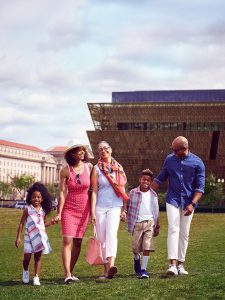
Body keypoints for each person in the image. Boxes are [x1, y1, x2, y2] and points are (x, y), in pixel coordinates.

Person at [151, 136, 205, 276]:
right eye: (172, 150)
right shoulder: (169, 159)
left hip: (189, 202)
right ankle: (172, 265)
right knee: (173, 229)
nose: (173, 152)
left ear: (184, 149)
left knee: (184, 232)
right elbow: (161, 177)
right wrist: (145, 191)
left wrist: (192, 204)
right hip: (173, 200)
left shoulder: (198, 163)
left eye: (176, 150)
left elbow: (200, 188)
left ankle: (181, 265)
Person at [55, 143, 92, 284]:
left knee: (78, 241)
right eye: (79, 150)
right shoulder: (65, 171)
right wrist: (59, 212)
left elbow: (94, 189)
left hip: (84, 210)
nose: (82, 152)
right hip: (69, 210)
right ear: (72, 153)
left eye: (83, 150)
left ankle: (70, 271)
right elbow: (62, 193)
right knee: (67, 240)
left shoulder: (89, 167)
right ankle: (67, 274)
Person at [91, 141, 128, 279]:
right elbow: (94, 191)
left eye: (105, 148)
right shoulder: (96, 169)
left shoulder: (118, 167)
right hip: (100, 206)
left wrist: (124, 208)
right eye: (100, 149)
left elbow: (123, 188)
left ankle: (111, 267)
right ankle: (105, 270)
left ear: (111, 150)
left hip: (115, 205)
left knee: (111, 234)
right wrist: (92, 211)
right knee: (102, 238)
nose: (103, 151)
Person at [15, 182, 56, 286]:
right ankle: (25, 271)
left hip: (39, 237)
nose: (36, 199)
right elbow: (21, 223)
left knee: (37, 257)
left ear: (42, 199)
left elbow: (42, 225)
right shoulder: (27, 210)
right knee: (27, 258)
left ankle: (36, 277)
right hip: (29, 236)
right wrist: (18, 237)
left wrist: (50, 223)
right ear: (30, 198)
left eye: (38, 197)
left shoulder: (43, 212)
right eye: (34, 197)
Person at [125, 169, 160, 279]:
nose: (146, 182)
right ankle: (136, 258)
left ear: (150, 182)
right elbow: (126, 204)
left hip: (150, 222)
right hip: (137, 223)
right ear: (140, 180)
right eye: (144, 179)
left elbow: (156, 210)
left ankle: (143, 269)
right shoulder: (133, 193)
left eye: (148, 180)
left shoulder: (153, 195)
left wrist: (157, 224)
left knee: (147, 246)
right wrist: (124, 212)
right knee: (135, 247)